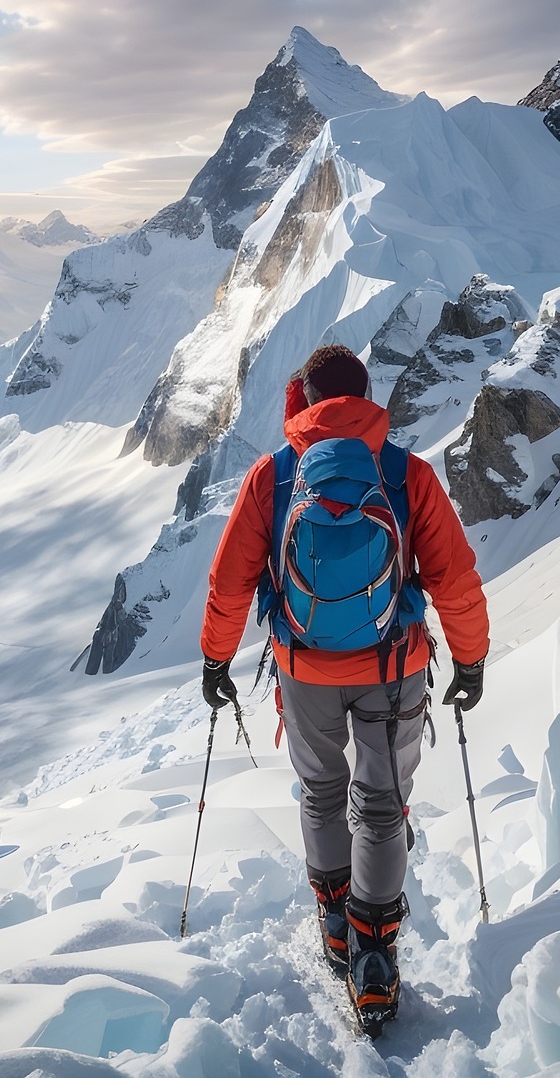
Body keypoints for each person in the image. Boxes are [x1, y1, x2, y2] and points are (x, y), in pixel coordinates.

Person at [199, 344, 489, 1032]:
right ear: (365, 399)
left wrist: (215, 661)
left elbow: (231, 579)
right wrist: (469, 662)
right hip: (393, 667)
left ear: (301, 400)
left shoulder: (274, 474)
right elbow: (452, 577)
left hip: (303, 667)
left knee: (323, 793)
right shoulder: (404, 472)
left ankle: (334, 922)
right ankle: (374, 955)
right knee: (382, 807)